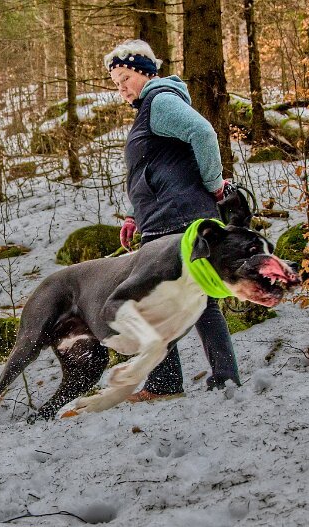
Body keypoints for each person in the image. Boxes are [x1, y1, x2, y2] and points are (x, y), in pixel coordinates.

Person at [105, 39, 240, 400]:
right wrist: (134, 215)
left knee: (155, 300)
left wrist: (214, 184)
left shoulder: (160, 100)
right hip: (165, 218)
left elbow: (203, 133)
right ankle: (222, 378)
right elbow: (151, 171)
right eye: (116, 83)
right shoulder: (151, 108)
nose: (121, 89)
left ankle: (167, 385)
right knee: (198, 300)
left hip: (177, 219)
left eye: (126, 78)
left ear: (146, 72)